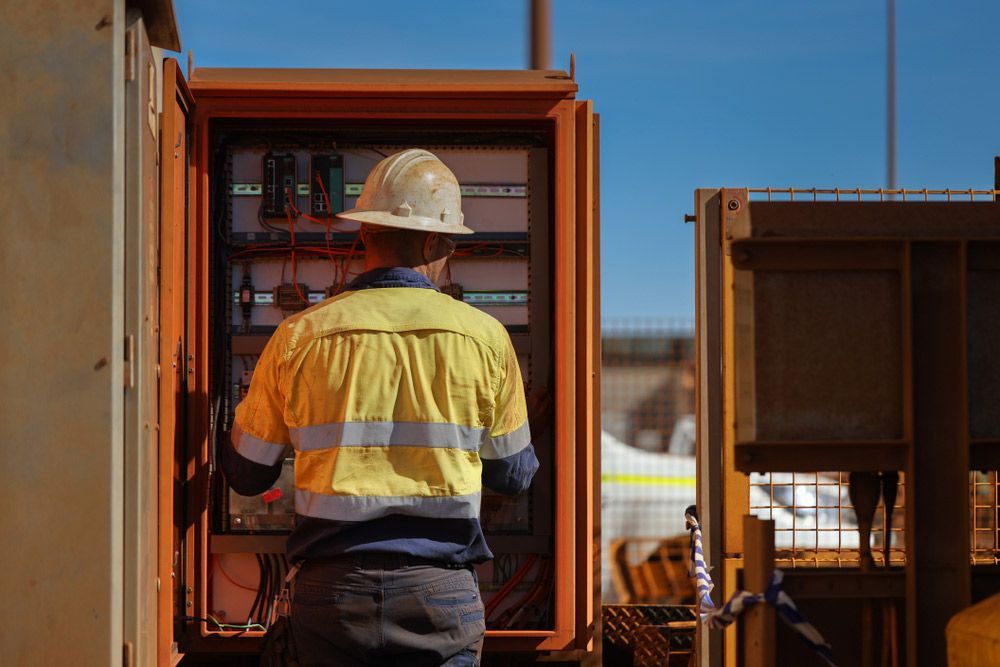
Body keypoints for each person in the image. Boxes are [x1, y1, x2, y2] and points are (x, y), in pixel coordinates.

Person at [223, 148, 539, 666]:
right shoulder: (485, 337)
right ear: (439, 241)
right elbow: (513, 476)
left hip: (331, 595)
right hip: (440, 595)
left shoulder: (298, 336)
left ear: (365, 232)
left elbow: (248, 474)